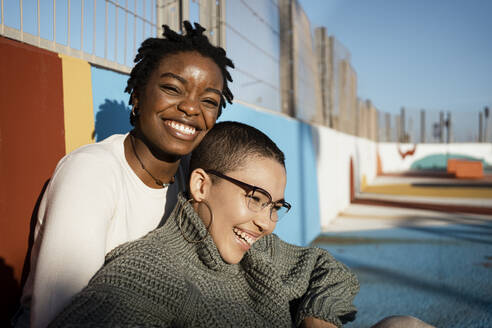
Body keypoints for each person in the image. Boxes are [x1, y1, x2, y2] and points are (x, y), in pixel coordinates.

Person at [16, 21, 234, 328]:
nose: (190, 108)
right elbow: (59, 315)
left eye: (209, 101)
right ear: (137, 97)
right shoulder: (91, 173)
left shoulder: (194, 180)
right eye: (172, 88)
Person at [48, 121, 360, 328]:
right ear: (201, 186)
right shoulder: (151, 271)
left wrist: (317, 316)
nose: (267, 223)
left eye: (275, 207)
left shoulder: (257, 248)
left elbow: (327, 269)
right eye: (255, 198)